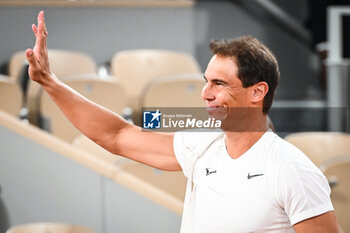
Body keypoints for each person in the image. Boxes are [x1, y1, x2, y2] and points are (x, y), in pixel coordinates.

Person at [26, 11, 341, 233]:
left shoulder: (292, 170)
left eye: (219, 84)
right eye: (206, 82)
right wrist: (50, 82)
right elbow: (117, 135)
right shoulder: (200, 145)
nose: (205, 94)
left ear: (257, 92)